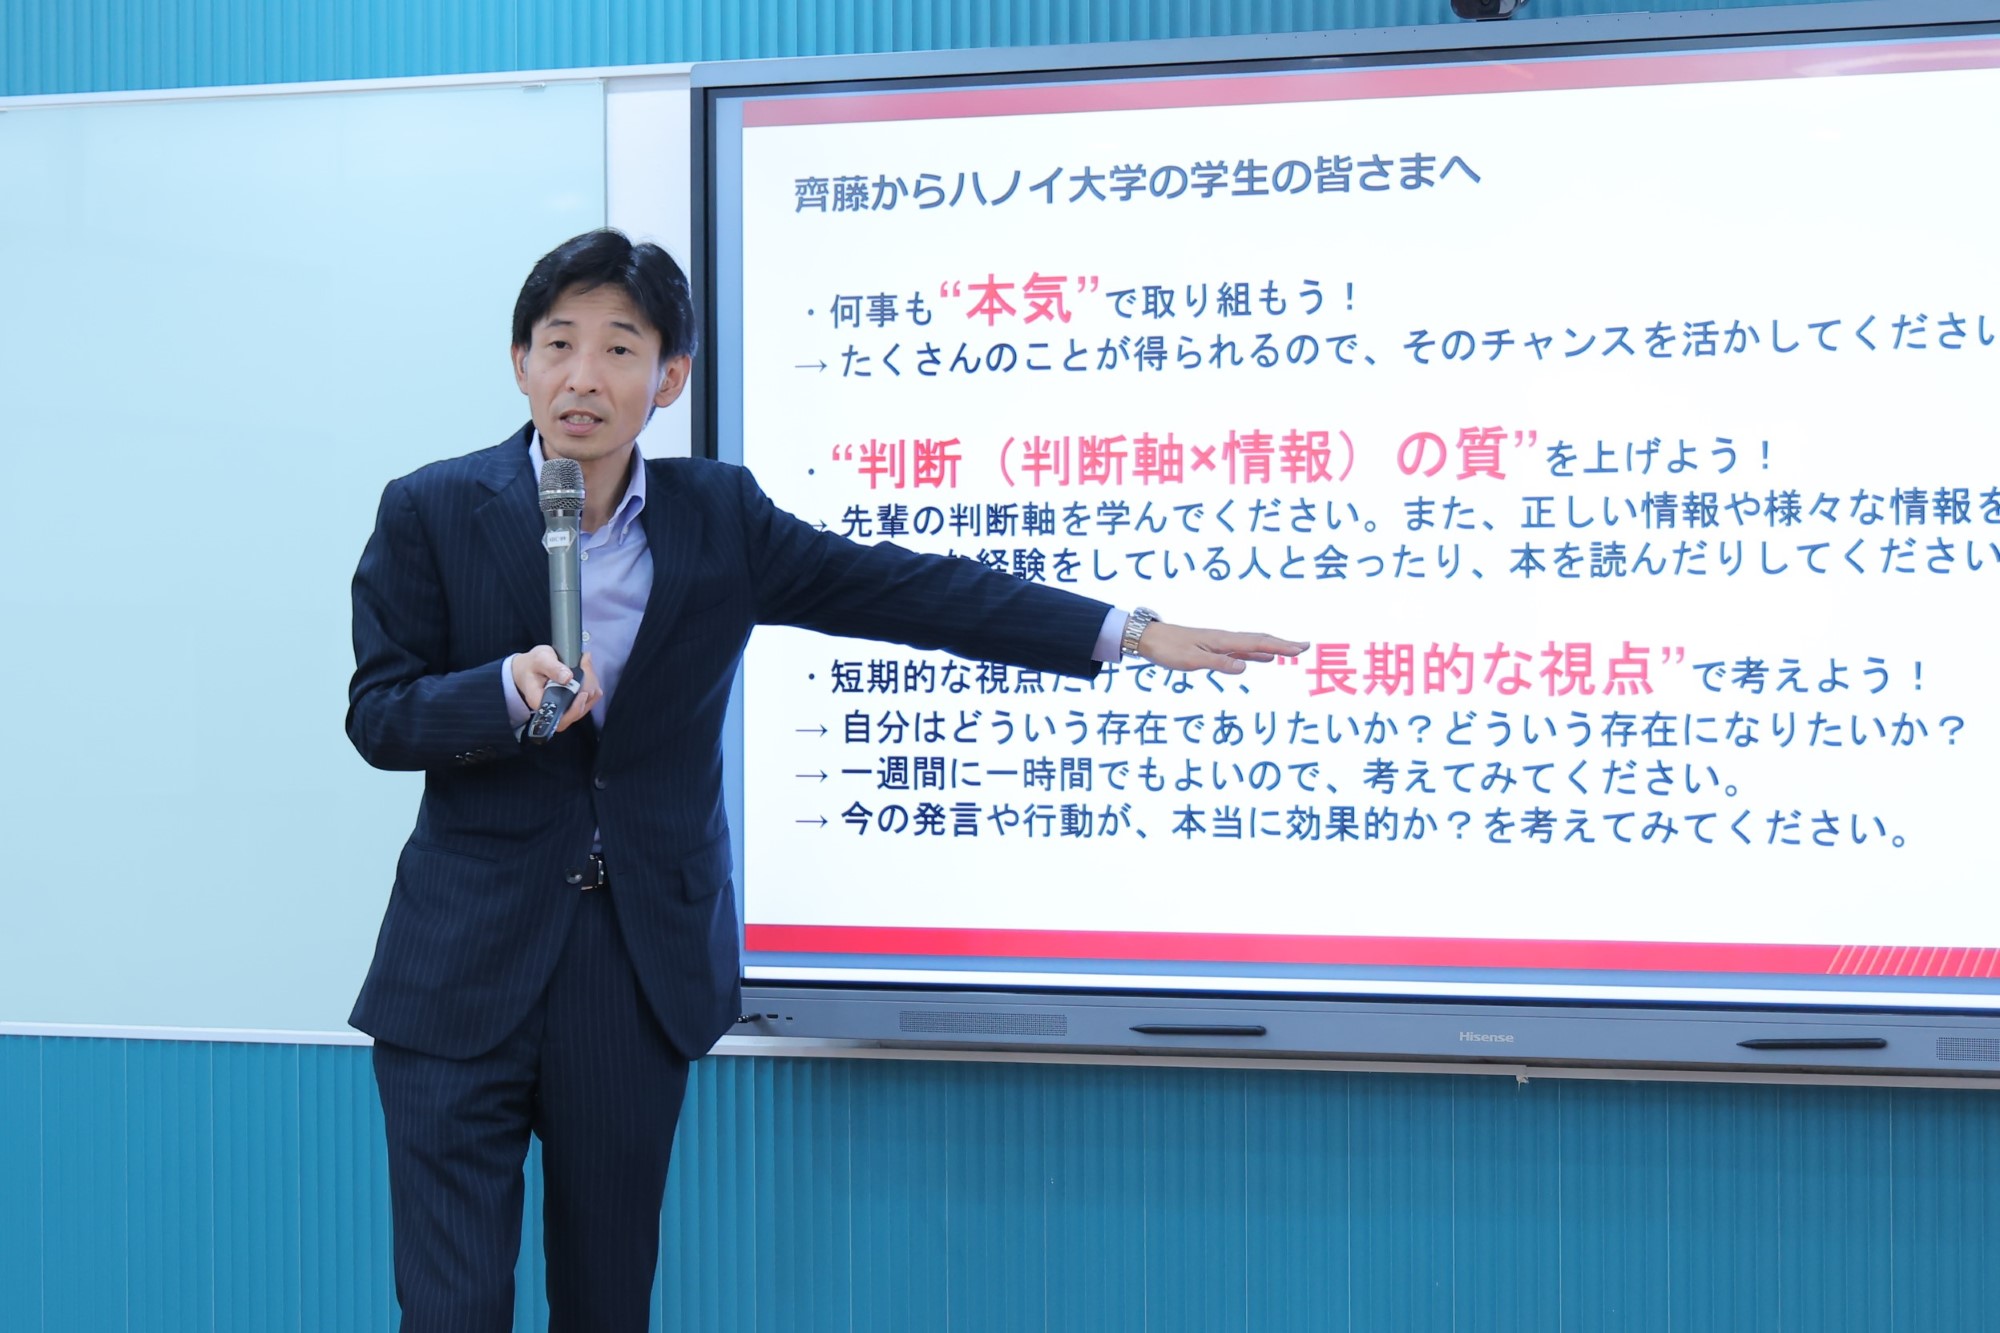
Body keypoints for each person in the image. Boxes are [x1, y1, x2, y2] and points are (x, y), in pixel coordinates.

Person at [345, 228, 1306, 1332]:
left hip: (632, 965)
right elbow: (380, 713)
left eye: (619, 348)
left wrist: (1124, 632)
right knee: (451, 1307)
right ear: (520, 362)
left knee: (607, 1301)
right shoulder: (431, 508)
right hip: (460, 967)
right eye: (558, 344)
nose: (583, 376)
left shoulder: (719, 517)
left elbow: (908, 591)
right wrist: (499, 693)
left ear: (669, 378)